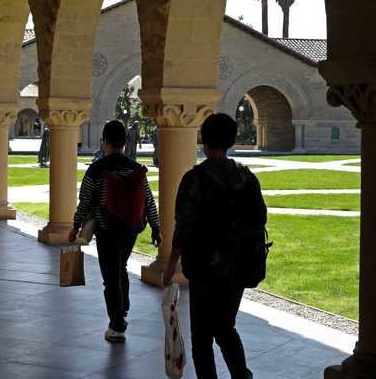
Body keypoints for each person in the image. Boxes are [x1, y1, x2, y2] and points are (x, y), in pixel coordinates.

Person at [163, 113, 265, 379]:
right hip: (239, 266)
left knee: (201, 336)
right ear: (231, 141)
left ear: (204, 141)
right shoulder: (247, 178)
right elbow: (260, 218)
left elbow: (183, 229)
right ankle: (241, 375)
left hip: (204, 268)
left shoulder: (194, 179)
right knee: (225, 327)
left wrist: (169, 267)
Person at [68, 120, 161, 343]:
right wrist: (156, 227)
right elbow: (148, 200)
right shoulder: (136, 168)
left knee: (110, 277)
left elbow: (86, 201)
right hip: (130, 229)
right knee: (120, 267)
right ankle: (123, 307)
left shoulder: (97, 169)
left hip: (107, 229)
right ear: (124, 142)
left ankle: (117, 324)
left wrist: (75, 225)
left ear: (105, 142)